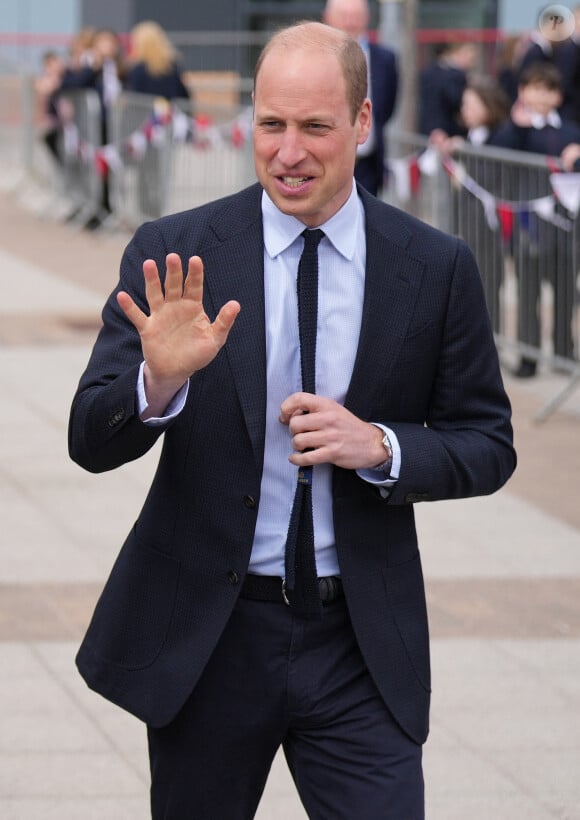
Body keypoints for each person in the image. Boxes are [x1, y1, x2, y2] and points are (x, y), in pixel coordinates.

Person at [69, 21, 516, 820]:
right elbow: (88, 441)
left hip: (357, 645)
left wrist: (379, 446)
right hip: (210, 639)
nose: (289, 151)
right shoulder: (178, 252)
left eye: (315, 126)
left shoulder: (434, 266)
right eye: (271, 124)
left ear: (363, 123)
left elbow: (488, 443)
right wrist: (157, 382)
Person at [492, 61, 580, 376]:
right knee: (528, 289)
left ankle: (564, 353)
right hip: (528, 222)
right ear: (522, 91)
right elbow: (499, 152)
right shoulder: (514, 129)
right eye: (534, 88)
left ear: (557, 96)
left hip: (565, 224)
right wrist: (518, 126)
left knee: (565, 290)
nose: (541, 96)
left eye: (548, 90)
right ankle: (528, 358)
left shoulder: (570, 130)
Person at [438, 77, 510, 333]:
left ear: (488, 106)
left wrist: (464, 151)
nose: (464, 110)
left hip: (488, 222)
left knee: (490, 279)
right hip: (468, 219)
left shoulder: (500, 136)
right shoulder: (470, 135)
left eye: (471, 104)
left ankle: (492, 334)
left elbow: (489, 178)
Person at [323, 0, 398, 196]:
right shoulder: (315, 57)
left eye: (356, 17)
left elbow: (387, 107)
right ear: (328, 18)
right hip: (325, 160)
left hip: (368, 164)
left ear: (366, 19)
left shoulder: (385, 59)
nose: (350, 23)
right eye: (344, 16)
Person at [418, 41, 477, 147]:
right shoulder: (457, 76)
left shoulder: (430, 70)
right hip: (447, 133)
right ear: (459, 53)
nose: (471, 63)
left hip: (427, 128)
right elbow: (456, 101)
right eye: (470, 58)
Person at [125, 20, 190, 101]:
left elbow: (134, 98)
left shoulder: (138, 70)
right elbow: (183, 95)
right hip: (170, 112)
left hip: (146, 112)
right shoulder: (172, 66)